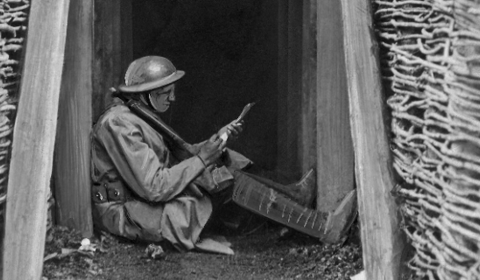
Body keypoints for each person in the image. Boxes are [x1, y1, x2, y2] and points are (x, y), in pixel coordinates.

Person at [91, 56, 353, 254]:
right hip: (130, 213)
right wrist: (203, 158)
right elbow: (153, 187)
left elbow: (175, 160)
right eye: (164, 93)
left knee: (223, 163)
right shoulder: (119, 124)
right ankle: (323, 228)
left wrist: (215, 142)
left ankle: (295, 199)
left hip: (146, 202)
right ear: (145, 94)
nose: (172, 99)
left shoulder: (136, 115)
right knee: (222, 180)